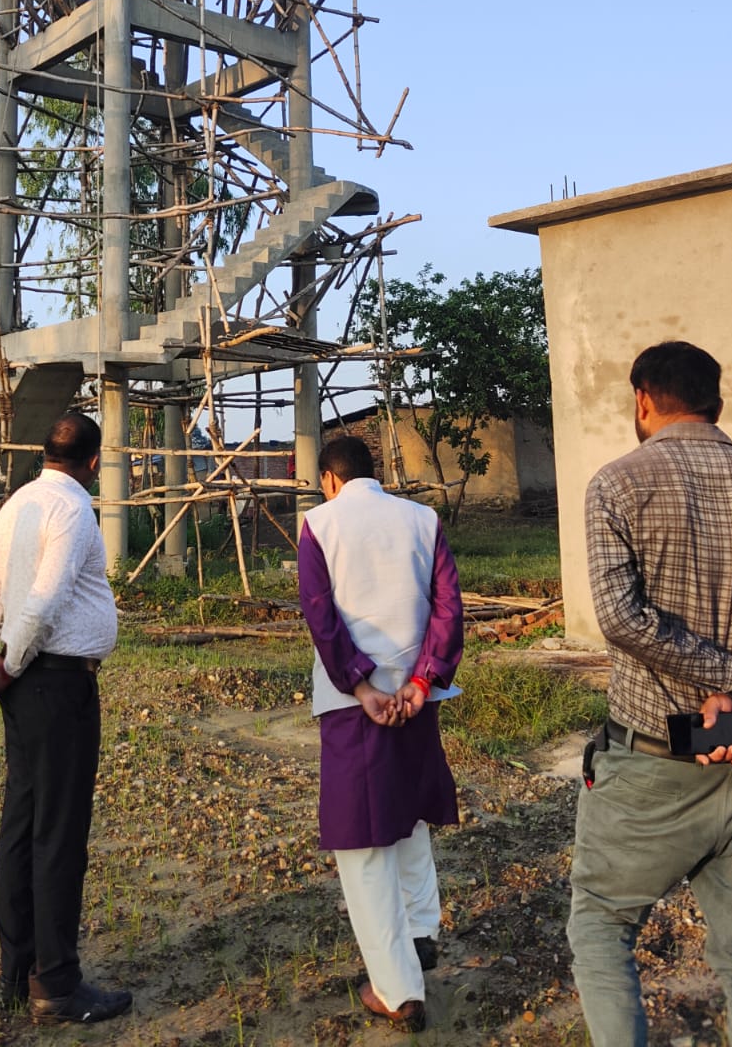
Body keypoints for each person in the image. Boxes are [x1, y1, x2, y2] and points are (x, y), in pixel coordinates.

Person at [568, 340, 732, 1047]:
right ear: (718, 404)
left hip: (651, 764)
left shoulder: (617, 484)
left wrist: (731, 684)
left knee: (602, 924)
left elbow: (622, 618)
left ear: (642, 400)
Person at [0, 409, 131, 1025]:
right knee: (58, 835)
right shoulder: (73, 510)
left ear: (45, 453)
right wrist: (4, 660)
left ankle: (16, 973)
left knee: (23, 824)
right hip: (56, 685)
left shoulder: (16, 506)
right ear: (93, 461)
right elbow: (47, 596)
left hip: (22, 684)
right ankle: (56, 985)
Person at [297, 433, 464, 1033]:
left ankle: (397, 991)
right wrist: (421, 683)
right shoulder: (423, 519)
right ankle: (421, 933)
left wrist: (362, 686)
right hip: (418, 698)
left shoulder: (319, 524)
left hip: (352, 704)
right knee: (410, 814)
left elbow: (320, 612)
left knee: (362, 843)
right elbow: (448, 607)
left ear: (329, 480)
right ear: (376, 472)